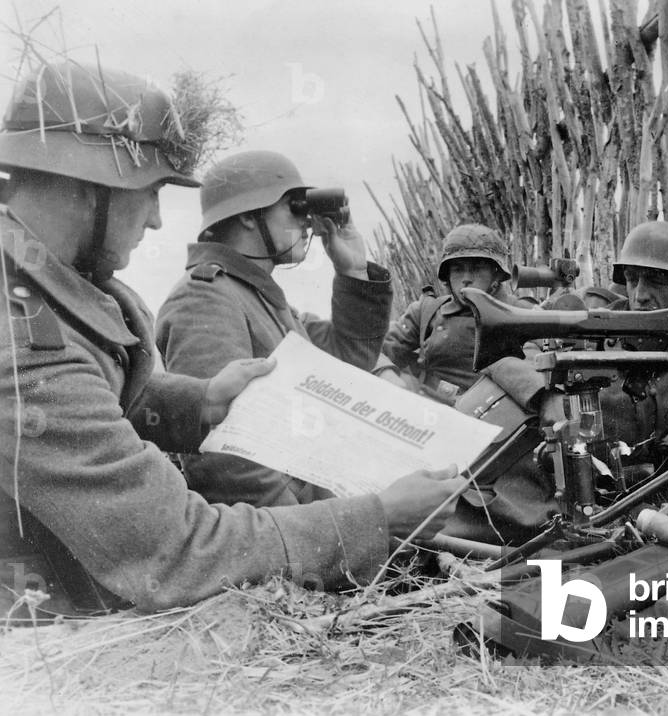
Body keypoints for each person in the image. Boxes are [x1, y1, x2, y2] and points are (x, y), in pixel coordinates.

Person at [0, 61, 464, 621]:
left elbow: (103, 397)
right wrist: (368, 524)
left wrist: (202, 403)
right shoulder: (25, 338)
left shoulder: (66, 294)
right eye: (149, 193)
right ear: (87, 187)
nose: (153, 221)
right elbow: (173, 546)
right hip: (55, 630)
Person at [442, 221, 668, 542]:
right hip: (551, 473)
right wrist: (545, 395)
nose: (640, 295)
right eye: (632, 280)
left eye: (656, 282)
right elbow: (509, 353)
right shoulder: (595, 318)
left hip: (624, 494)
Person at [155, 151, 392, 507]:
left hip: (317, 511)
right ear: (250, 217)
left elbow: (349, 362)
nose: (307, 223)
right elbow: (227, 457)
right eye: (294, 208)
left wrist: (354, 271)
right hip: (291, 531)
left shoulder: (260, 298)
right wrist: (325, 535)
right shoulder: (204, 298)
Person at [382, 223, 532, 404]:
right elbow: (376, 350)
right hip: (434, 412)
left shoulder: (523, 313)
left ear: (496, 275)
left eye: (477, 268)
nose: (467, 278)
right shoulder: (426, 311)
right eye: (458, 269)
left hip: (503, 419)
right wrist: (387, 374)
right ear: (447, 277)